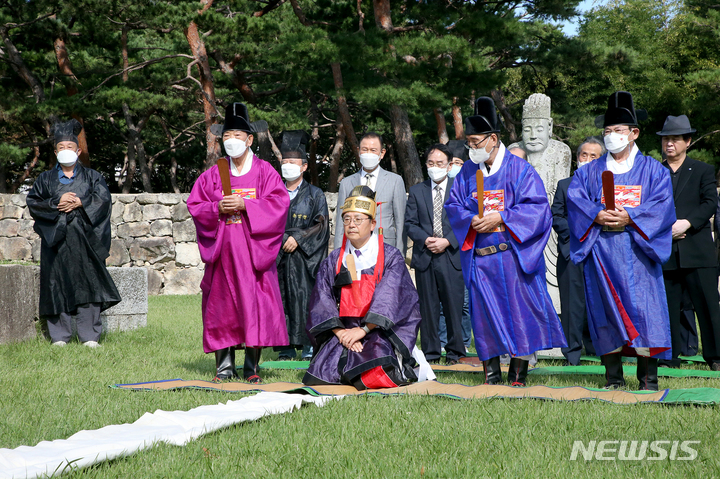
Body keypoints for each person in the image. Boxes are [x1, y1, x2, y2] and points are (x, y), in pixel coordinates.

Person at [445, 97, 566, 387]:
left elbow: (538, 209)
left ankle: (518, 376)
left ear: (493, 139)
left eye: (475, 142)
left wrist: (501, 218)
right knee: (484, 318)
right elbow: (454, 206)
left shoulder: (520, 170)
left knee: (521, 315)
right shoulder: (466, 173)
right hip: (481, 258)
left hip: (512, 256)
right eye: (469, 143)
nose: (471, 148)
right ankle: (491, 375)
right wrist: (469, 220)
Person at [567, 91, 675, 391]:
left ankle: (648, 379)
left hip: (638, 250)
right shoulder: (589, 171)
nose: (612, 136)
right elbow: (575, 199)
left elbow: (662, 207)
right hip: (600, 250)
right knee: (604, 312)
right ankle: (613, 378)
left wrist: (631, 217)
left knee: (646, 313)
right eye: (607, 132)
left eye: (618, 131)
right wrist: (595, 215)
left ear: (634, 133)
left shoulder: (654, 170)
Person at [188, 103, 289, 383]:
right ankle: (223, 368)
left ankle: (252, 369)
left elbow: (279, 205)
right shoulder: (214, 173)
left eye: (238, 135)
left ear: (250, 139)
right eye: (227, 135)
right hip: (223, 253)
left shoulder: (265, 172)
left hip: (253, 253)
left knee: (254, 305)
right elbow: (196, 204)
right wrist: (217, 207)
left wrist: (247, 204)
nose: (232, 140)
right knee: (222, 307)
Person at [303, 186, 432, 389]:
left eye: (358, 220)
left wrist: (362, 331)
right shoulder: (334, 259)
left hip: (378, 329)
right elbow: (322, 299)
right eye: (346, 219)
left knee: (376, 369)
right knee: (321, 374)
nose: (351, 225)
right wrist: (342, 334)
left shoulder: (390, 257)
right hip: (343, 329)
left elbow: (390, 300)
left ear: (372, 224)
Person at [27, 119, 121, 348]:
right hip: (56, 242)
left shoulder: (92, 177)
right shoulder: (44, 179)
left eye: (70, 147)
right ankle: (59, 336)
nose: (66, 151)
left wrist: (81, 201)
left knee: (88, 282)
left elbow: (103, 200)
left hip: (85, 240)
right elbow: (34, 203)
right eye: (61, 148)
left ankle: (89, 335)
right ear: (55, 151)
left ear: (78, 150)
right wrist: (56, 202)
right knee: (56, 284)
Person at [658, 115, 720, 370]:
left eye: (675, 139)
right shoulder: (655, 171)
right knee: (667, 307)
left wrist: (687, 223)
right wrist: (664, 230)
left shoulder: (703, 170)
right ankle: (669, 356)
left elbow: (710, 202)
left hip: (697, 249)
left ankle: (715, 356)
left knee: (707, 305)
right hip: (665, 249)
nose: (669, 144)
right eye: (666, 139)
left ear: (688, 141)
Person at [405, 144, 465, 365]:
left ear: (449, 165)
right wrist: (425, 239)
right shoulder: (417, 190)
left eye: (440, 164)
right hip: (425, 256)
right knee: (428, 308)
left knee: (453, 306)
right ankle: (431, 353)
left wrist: (448, 240)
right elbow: (410, 223)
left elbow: (465, 220)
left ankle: (455, 351)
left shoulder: (460, 189)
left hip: (451, 256)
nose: (435, 167)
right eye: (431, 163)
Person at [275, 130, 330, 361]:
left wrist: (298, 238)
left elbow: (322, 225)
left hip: (304, 259)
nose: (288, 166)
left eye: (293, 162)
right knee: (279, 299)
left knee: (306, 298)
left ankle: (309, 347)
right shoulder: (272, 192)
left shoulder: (315, 194)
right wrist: (279, 241)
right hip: (277, 256)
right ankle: (284, 348)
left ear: (304, 166)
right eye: (284, 162)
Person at [551, 138, 604, 365]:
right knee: (571, 304)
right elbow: (556, 216)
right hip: (571, 251)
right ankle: (572, 353)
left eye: (594, 157)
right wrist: (577, 233)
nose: (588, 160)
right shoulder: (565, 184)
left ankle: (598, 348)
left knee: (599, 302)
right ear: (577, 157)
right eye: (584, 155)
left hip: (601, 253)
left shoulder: (608, 185)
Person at [334, 132, 406, 254]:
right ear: (358, 151)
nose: (368, 154)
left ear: (382, 153)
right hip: (353, 247)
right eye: (365, 150)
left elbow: (400, 222)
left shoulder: (395, 181)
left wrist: (400, 254)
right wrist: (337, 254)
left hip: (385, 246)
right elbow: (340, 223)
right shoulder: (347, 183)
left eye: (373, 150)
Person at [439, 140, 472, 350]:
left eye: (458, 162)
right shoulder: (437, 186)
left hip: (463, 251)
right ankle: (443, 342)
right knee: (443, 303)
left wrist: (451, 240)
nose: (454, 167)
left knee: (465, 303)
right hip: (439, 250)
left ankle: (465, 342)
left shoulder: (469, 186)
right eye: (450, 162)